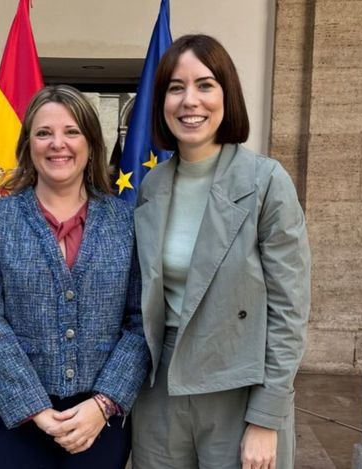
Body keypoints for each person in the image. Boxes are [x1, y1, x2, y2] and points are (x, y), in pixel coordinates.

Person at [131, 34, 311, 469]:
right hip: (161, 389)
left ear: (227, 94)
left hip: (239, 383)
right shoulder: (152, 186)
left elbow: (290, 307)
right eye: (176, 87)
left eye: (205, 84)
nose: (190, 100)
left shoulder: (265, 180)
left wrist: (268, 416)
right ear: (161, 102)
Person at [0, 85, 150, 469]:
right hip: (11, 419)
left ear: (92, 144)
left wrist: (103, 403)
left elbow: (142, 319)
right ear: (28, 144)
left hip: (100, 420)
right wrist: (35, 409)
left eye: (71, 132)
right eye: (44, 133)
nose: (57, 144)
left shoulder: (125, 223)